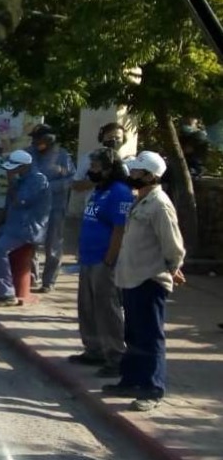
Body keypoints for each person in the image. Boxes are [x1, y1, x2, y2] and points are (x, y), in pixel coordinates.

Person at [103, 151, 187, 412]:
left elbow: (173, 245)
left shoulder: (160, 205)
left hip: (149, 279)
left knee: (150, 337)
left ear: (151, 176)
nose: (132, 174)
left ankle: (152, 389)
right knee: (134, 334)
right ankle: (131, 380)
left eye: (137, 171)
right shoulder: (139, 199)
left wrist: (174, 268)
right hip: (131, 277)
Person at [68, 148, 133, 378]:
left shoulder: (120, 192)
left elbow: (120, 229)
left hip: (104, 261)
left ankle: (115, 356)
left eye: (96, 167)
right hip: (88, 258)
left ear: (109, 169)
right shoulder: (99, 190)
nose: (91, 171)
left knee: (107, 309)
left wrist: (109, 259)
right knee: (87, 307)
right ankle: (94, 350)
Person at [0, 150, 51, 306]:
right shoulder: (19, 180)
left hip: (27, 229)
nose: (9, 171)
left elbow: (19, 202)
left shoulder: (38, 180)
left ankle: (7, 293)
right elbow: (7, 207)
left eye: (13, 168)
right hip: (11, 226)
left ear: (24, 166)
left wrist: (11, 181)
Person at [26, 124, 76, 292]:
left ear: (49, 140)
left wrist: (50, 186)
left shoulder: (62, 156)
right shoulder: (28, 153)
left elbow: (72, 179)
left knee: (53, 245)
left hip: (55, 206)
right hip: (33, 206)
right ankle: (31, 277)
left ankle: (49, 282)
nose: (34, 142)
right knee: (30, 242)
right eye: (34, 139)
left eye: (38, 139)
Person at [73, 123, 128, 192]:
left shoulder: (128, 161)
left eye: (117, 138)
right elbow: (75, 185)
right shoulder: (90, 157)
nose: (113, 140)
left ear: (123, 140)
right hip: (96, 198)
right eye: (110, 137)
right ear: (102, 138)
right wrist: (98, 179)